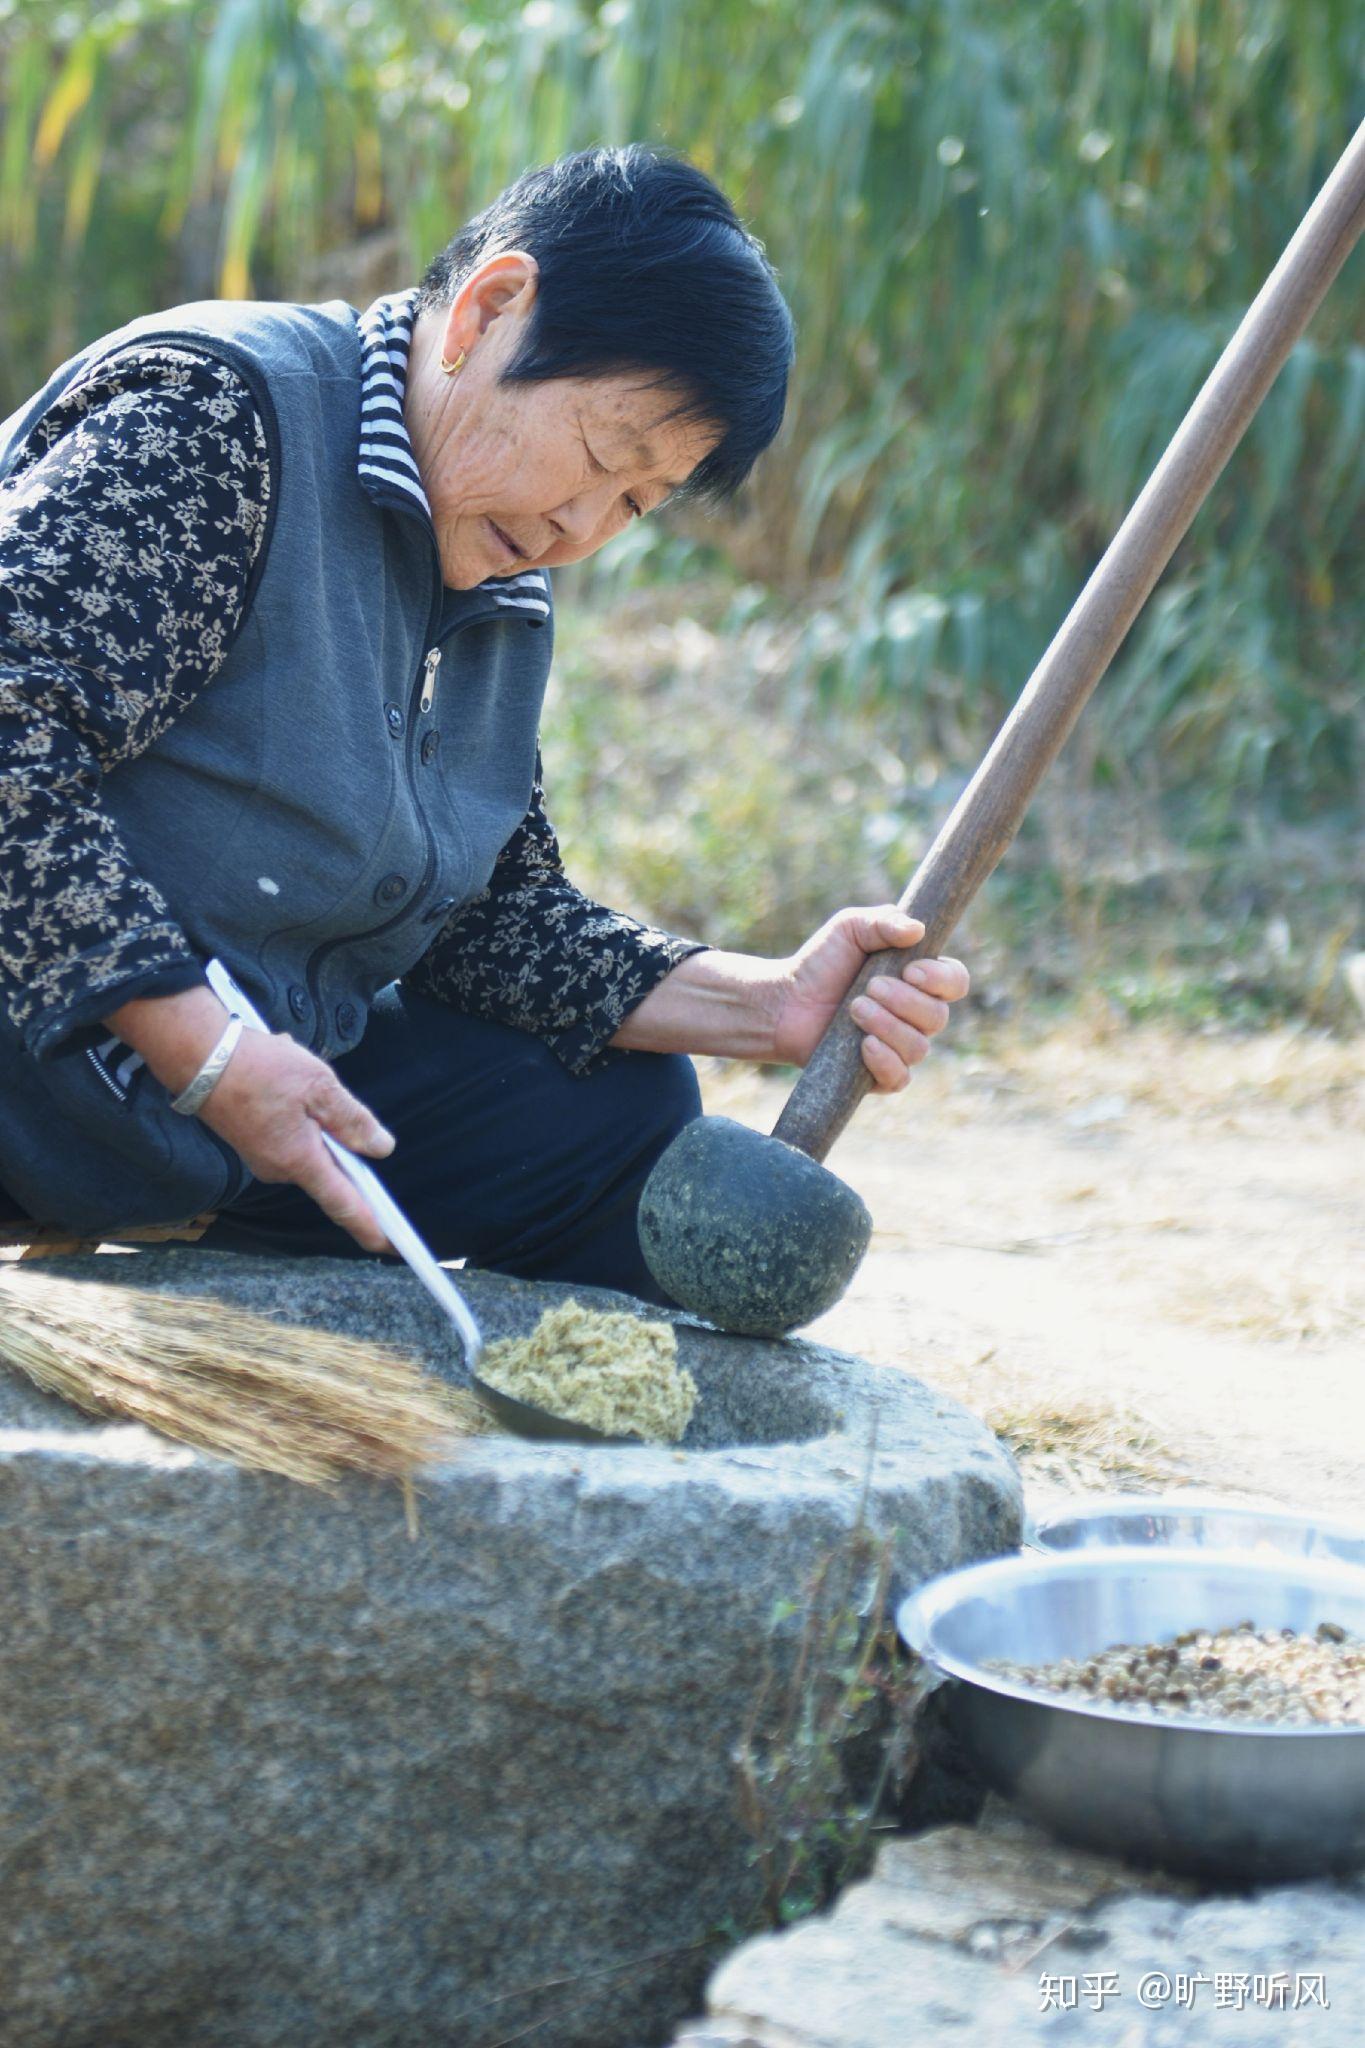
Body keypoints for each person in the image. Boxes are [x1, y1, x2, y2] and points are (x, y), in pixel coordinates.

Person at [0, 143, 968, 1304]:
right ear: (489, 308)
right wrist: (205, 1053)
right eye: (602, 455)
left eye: (635, 503)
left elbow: (487, 918)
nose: (581, 524)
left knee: (619, 1114)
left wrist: (768, 1004)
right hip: (42, 1060)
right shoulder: (220, 419)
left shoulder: (497, 570)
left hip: (218, 1100)